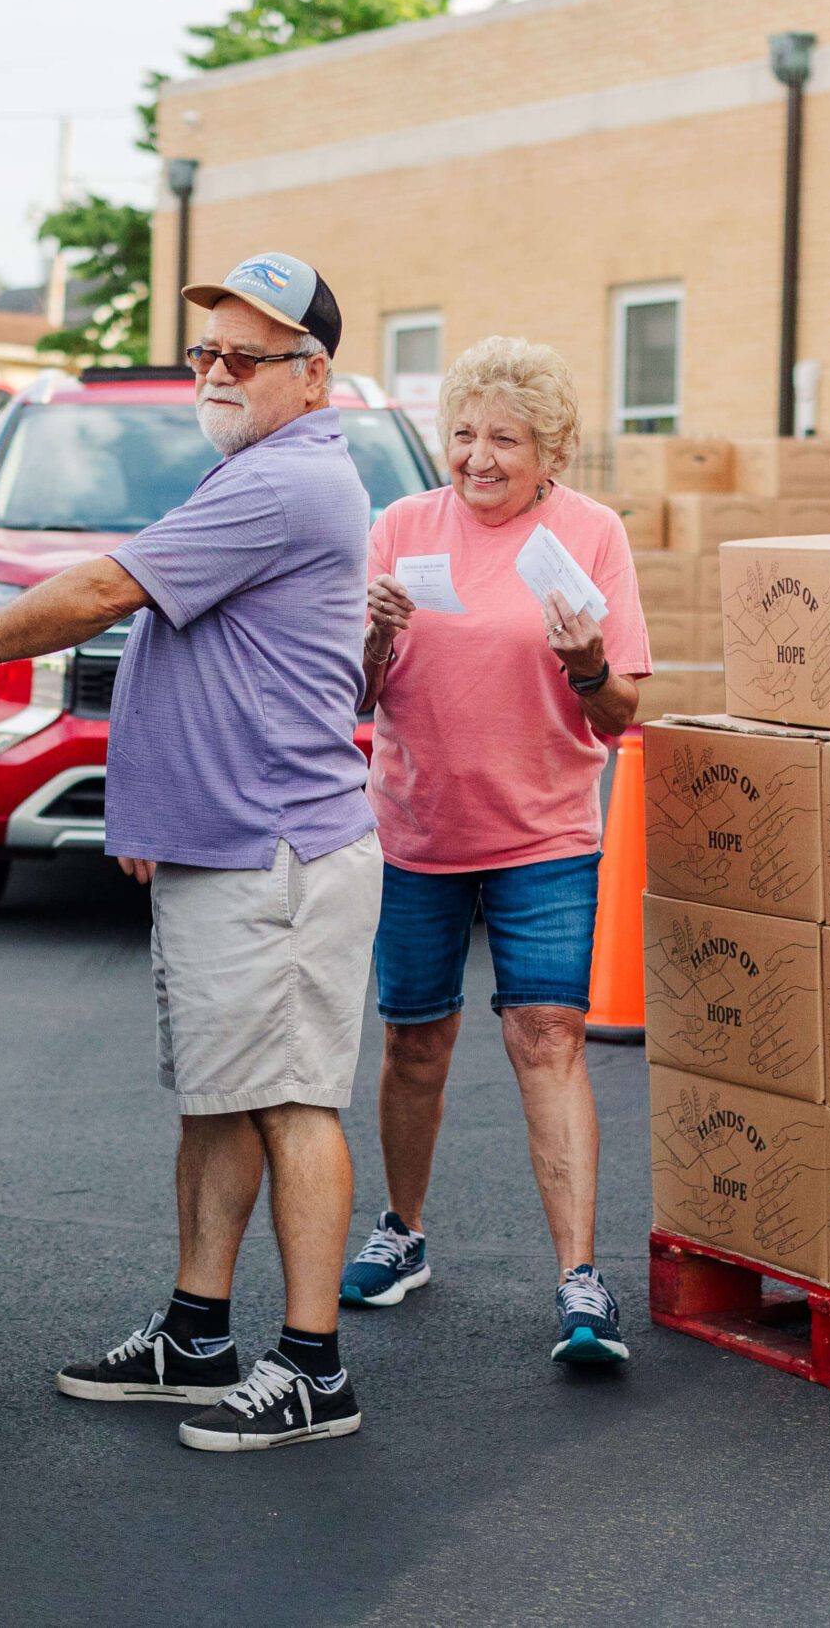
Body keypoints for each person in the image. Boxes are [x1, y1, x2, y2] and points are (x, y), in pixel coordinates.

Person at [0, 252, 381, 1452]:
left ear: (313, 376)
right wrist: (151, 820)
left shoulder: (283, 483)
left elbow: (101, 589)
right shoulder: (253, 469)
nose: (215, 372)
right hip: (222, 846)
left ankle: (313, 1368)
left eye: (245, 356)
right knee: (220, 1097)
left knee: (290, 1099)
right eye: (204, 350)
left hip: (275, 855)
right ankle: (197, 1335)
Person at [336, 336, 649, 1367]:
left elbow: (617, 712)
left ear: (548, 449)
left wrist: (588, 660)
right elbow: (354, 698)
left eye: (503, 438)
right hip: (417, 827)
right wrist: (375, 637)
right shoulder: (399, 526)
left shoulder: (589, 533)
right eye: (463, 433)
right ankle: (404, 1228)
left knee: (549, 1036)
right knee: (414, 1039)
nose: (477, 456)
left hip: (543, 831)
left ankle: (579, 1280)